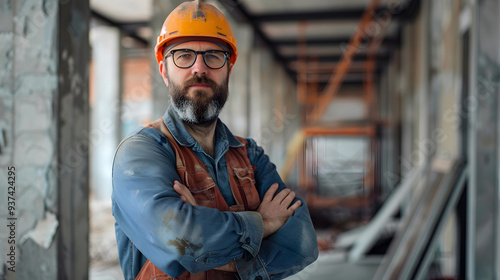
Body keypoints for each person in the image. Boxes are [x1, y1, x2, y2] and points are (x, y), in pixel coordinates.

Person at [112, 1, 318, 279]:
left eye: (213, 55)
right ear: (163, 70)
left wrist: (204, 241)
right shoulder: (141, 153)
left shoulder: (250, 155)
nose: (200, 68)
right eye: (184, 55)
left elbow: (302, 243)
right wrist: (263, 222)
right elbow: (177, 238)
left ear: (228, 70)